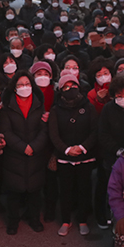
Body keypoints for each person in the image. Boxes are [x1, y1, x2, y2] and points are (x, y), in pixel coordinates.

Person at [0, 71, 49, 234]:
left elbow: (44, 130)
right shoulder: (7, 106)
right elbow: (6, 131)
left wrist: (34, 146)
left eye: (27, 84)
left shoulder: (38, 103)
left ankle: (34, 219)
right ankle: (13, 221)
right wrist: (22, 147)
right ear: (14, 88)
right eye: (20, 85)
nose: (24, 87)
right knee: (13, 192)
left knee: (35, 191)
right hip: (15, 155)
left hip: (35, 154)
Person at [48, 71, 97, 237]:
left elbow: (94, 131)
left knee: (84, 189)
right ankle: (65, 220)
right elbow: (54, 134)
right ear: (60, 89)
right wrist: (67, 149)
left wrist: (83, 148)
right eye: (66, 86)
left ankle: (83, 220)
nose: (70, 88)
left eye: (73, 85)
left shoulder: (88, 107)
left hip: (85, 156)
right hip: (64, 158)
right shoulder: (56, 110)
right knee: (66, 190)